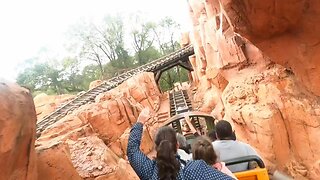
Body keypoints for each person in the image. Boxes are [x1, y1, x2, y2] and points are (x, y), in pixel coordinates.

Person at [127, 108, 234, 180]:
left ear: (156, 148)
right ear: (177, 145)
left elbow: (132, 150)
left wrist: (140, 122)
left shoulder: (148, 171)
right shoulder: (195, 169)